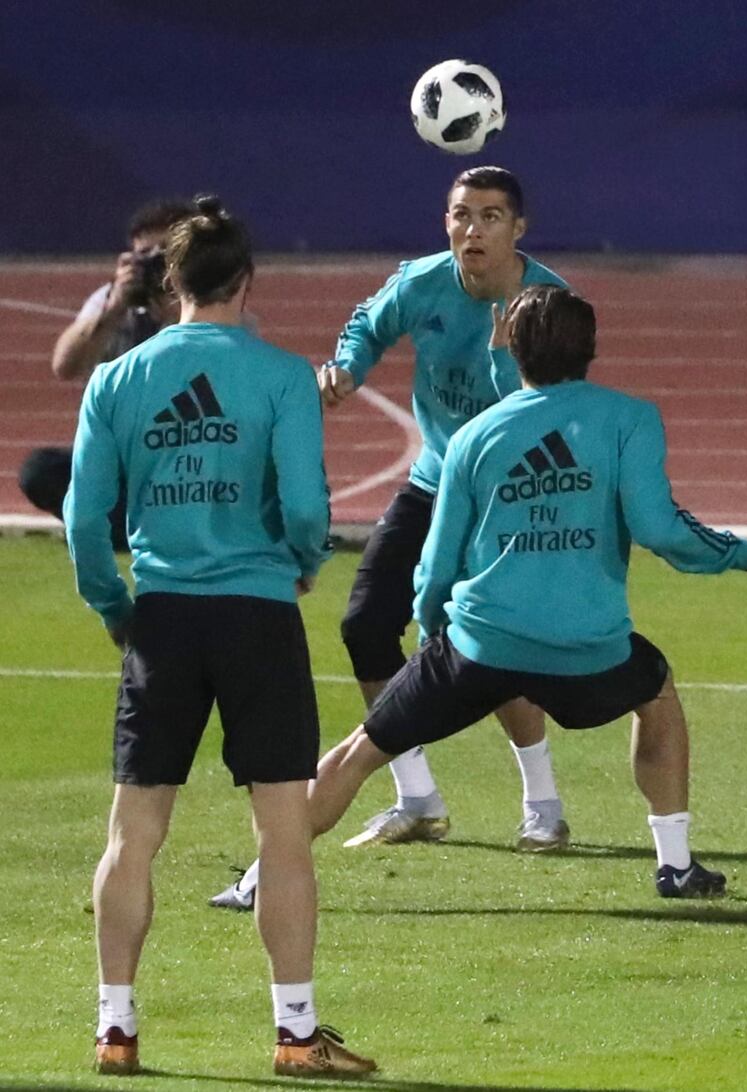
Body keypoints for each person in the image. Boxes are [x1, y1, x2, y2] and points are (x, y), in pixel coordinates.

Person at [277, 285, 747, 901]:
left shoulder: (471, 439)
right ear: (591, 349)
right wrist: (741, 552)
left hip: (480, 644)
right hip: (590, 649)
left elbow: (437, 564)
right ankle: (674, 865)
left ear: (512, 350)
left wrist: (436, 632)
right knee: (656, 692)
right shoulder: (629, 419)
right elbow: (660, 529)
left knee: (361, 750)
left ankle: (262, 876)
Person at [63, 194, 376, 1079]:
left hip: (162, 618)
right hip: (257, 616)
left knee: (132, 835)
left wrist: (117, 609)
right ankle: (296, 1033)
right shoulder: (280, 376)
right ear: (246, 279)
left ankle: (116, 1029)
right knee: (282, 834)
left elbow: (87, 523)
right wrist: (301, 559)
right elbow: (308, 508)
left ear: (171, 281)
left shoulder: (118, 380)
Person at [210, 166, 571, 911]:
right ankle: (418, 798)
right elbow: (367, 324)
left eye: (491, 217)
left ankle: (543, 803)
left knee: (491, 648)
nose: (474, 231)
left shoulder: (548, 303)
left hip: (505, 494)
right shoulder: (420, 282)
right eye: (461, 215)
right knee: (366, 624)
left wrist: (506, 357)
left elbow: (545, 413)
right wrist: (346, 368)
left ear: (519, 230)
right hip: (437, 480)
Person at [19, 198, 194, 550]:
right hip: (117, 462)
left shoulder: (208, 305)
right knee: (39, 471)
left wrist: (174, 318)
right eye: (145, 255)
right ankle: (134, 532)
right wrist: (114, 309)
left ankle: (136, 529)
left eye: (164, 254)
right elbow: (64, 364)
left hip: (184, 462)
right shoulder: (111, 301)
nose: (155, 265)